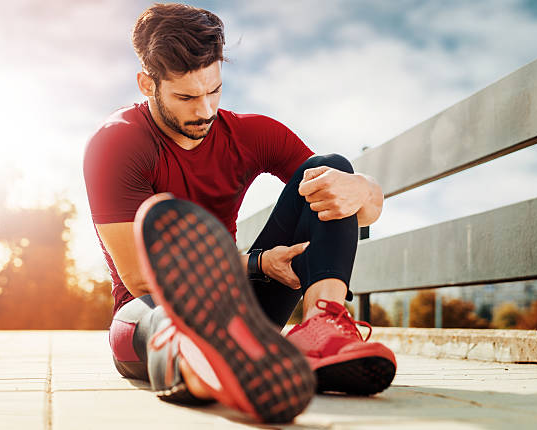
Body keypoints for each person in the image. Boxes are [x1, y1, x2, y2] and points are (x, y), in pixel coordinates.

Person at [83, 3, 396, 423]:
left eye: (214, 90)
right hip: (151, 310)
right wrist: (258, 263)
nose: (205, 110)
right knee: (170, 319)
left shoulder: (251, 134)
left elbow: (350, 213)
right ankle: (204, 366)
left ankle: (322, 329)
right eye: (187, 97)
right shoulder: (116, 144)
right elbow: (141, 276)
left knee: (331, 169)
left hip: (245, 305)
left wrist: (364, 189)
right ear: (146, 84)